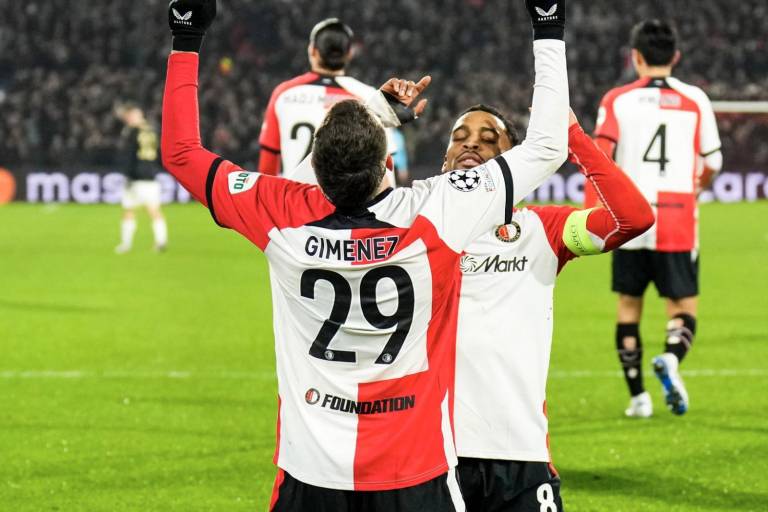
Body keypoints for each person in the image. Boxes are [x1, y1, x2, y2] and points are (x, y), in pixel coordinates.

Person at [162, 0, 568, 509]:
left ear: (315, 169)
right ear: (386, 165)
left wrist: (186, 36)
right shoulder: (436, 213)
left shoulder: (281, 215)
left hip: (310, 474)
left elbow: (180, 152)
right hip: (413, 474)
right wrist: (548, 24)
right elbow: (547, 147)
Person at [440, 104, 654, 511]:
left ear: (515, 163)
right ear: (444, 160)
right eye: (459, 137)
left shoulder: (542, 230)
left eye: (489, 139)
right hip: (434, 457)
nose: (471, 144)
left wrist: (573, 137)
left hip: (521, 455)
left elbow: (632, 218)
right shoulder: (414, 228)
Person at [588, 19, 723, 417]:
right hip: (677, 216)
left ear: (636, 57)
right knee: (682, 307)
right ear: (675, 56)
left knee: (629, 306)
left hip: (632, 217)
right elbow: (714, 161)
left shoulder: (617, 100)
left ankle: (638, 399)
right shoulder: (695, 99)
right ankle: (671, 359)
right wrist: (697, 187)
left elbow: (600, 156)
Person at [258, 17, 397, 178]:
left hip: (294, 192)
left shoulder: (283, 93)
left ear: (312, 50)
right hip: (347, 194)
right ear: (349, 53)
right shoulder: (369, 96)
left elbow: (267, 169)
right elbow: (386, 169)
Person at [114, 103, 169, 254]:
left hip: (136, 176)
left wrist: (127, 173)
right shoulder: (152, 130)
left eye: (130, 116)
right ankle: (161, 241)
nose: (128, 119)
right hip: (150, 173)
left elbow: (129, 155)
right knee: (150, 209)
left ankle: (126, 244)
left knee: (132, 209)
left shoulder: (132, 132)